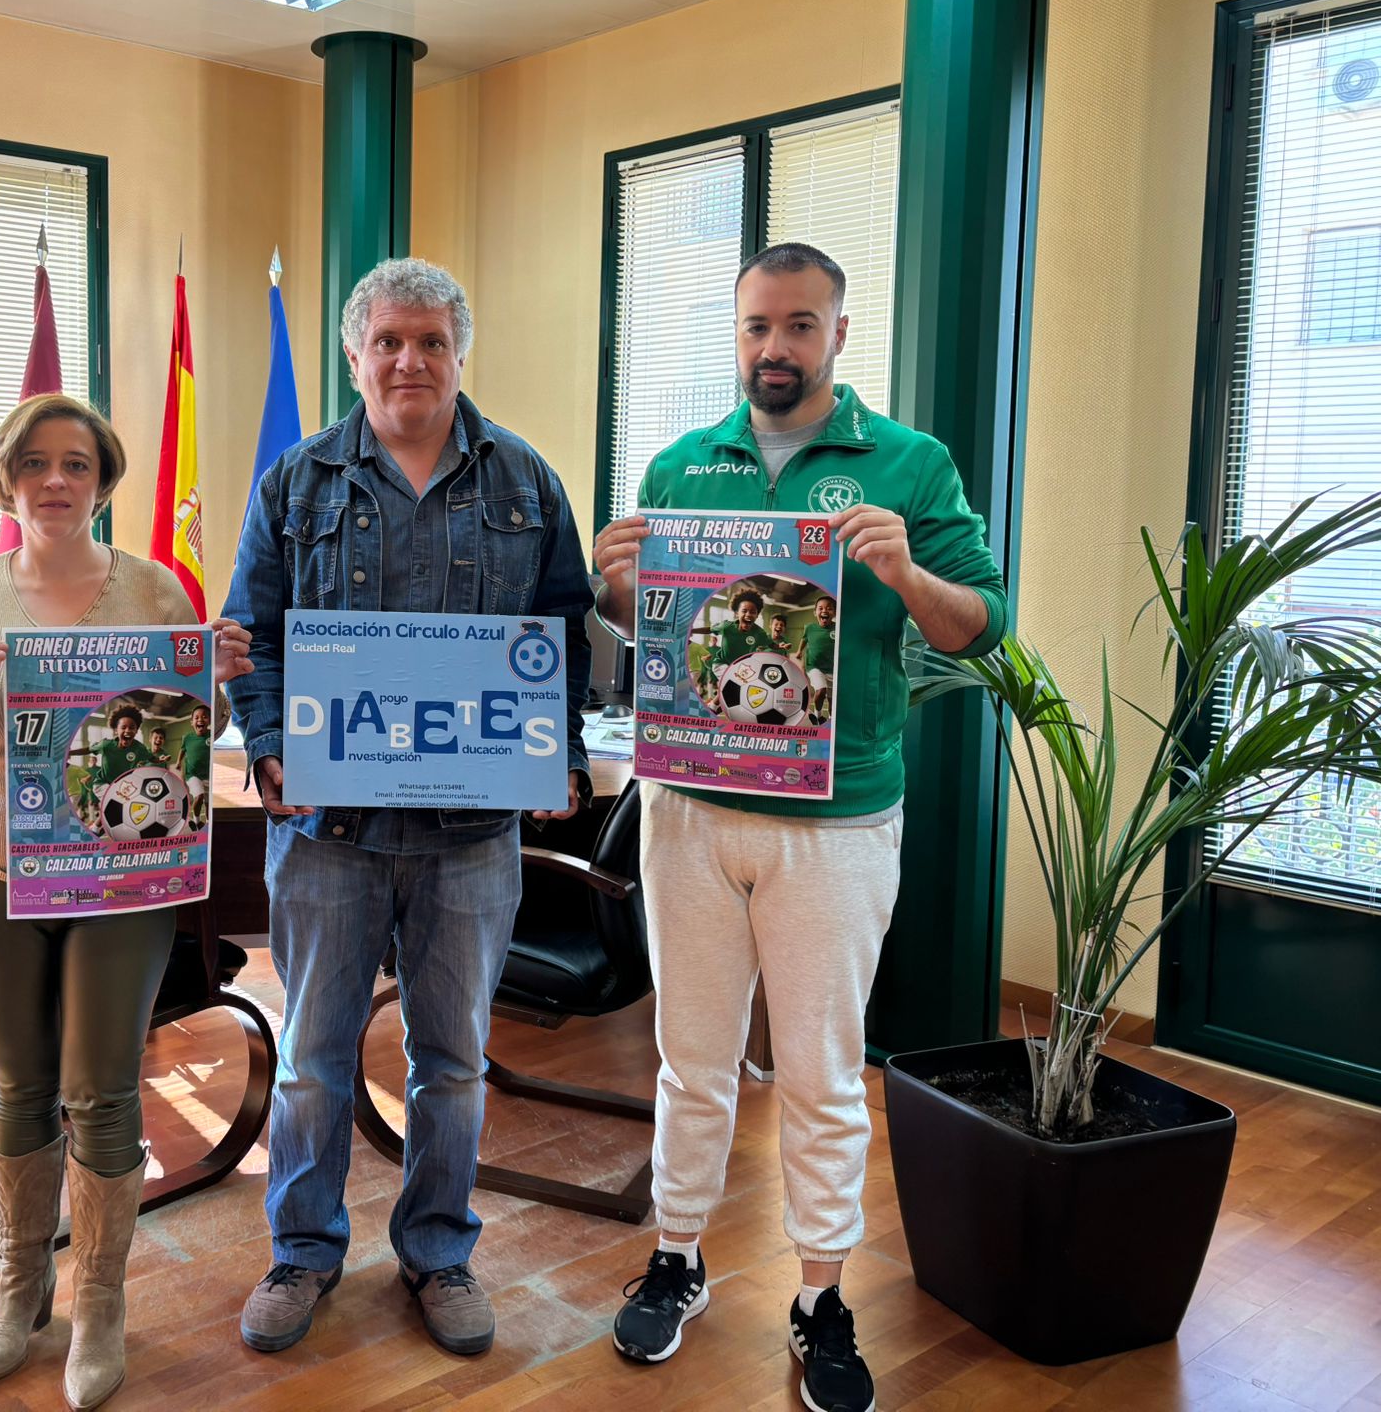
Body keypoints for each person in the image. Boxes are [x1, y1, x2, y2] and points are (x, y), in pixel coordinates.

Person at [593, 242, 1006, 1412]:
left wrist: (905, 570)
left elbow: (982, 628)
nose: (773, 348)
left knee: (822, 1073)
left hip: (833, 823)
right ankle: (675, 1259)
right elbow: (650, 642)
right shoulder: (681, 466)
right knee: (690, 1062)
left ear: (836, 334)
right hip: (686, 809)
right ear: (736, 334)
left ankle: (820, 1295)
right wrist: (616, 592)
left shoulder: (907, 466)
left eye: (797, 327)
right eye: (755, 327)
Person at [224, 257, 594, 1360]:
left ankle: (437, 1252)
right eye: (387, 341)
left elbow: (564, 633)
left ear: (456, 352)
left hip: (470, 838)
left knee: (454, 1063)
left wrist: (554, 755)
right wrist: (271, 740)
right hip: (329, 835)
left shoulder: (524, 480)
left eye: (430, 341)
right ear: (355, 353)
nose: (408, 361)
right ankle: (302, 1250)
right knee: (309, 1061)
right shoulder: (296, 482)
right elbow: (256, 632)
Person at [0, 392, 251, 1409]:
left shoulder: (150, 588)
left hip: (118, 883)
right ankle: (20, 1293)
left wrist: (218, 682)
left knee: (99, 1093)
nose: (57, 482)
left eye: (78, 467)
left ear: (102, 483)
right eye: (38, 464)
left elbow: (189, 735)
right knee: (16, 1091)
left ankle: (99, 1302)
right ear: (8, 477)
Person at [800, 595, 838, 722]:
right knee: (821, 690)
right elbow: (804, 639)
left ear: (835, 612)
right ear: (815, 612)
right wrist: (800, 651)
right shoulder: (810, 628)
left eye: (829, 608)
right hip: (814, 666)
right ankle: (818, 715)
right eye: (820, 608)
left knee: (832, 699)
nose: (824, 611)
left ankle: (832, 720)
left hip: (832, 668)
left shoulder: (838, 628)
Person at [174, 703, 212, 825]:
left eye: (204, 717)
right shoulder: (188, 738)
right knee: (199, 796)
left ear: (210, 720)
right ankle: (196, 821)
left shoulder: (212, 735)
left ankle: (207, 822)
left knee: (208, 802)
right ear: (191, 722)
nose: (200, 719)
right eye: (196, 718)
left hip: (208, 775)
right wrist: (178, 761)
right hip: (193, 774)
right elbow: (182, 749)